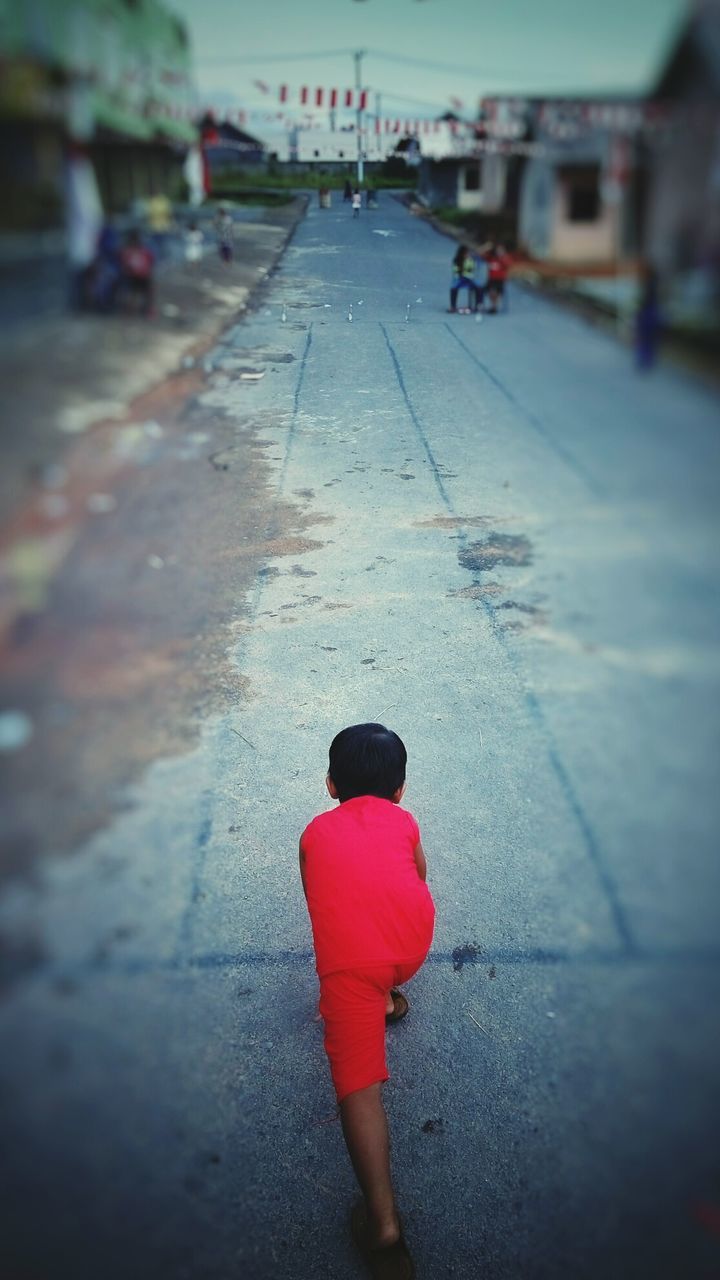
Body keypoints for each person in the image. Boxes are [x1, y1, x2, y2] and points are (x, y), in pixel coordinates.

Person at [300, 724, 435, 1279]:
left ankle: (383, 1227)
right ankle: (386, 1000)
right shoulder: (405, 820)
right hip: (412, 944)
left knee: (359, 1088)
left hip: (354, 968)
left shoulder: (314, 831)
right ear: (400, 790)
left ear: (331, 785)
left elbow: (320, 900)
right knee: (376, 974)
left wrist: (342, 988)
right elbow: (419, 876)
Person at [119, 229, 155, 316]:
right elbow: (124, 265)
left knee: (148, 291)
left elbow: (150, 262)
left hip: (143, 277)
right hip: (132, 277)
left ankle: (146, 309)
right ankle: (130, 310)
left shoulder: (144, 251)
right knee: (132, 293)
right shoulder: (128, 251)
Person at [634, 264, 661, 371]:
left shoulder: (648, 286)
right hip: (651, 314)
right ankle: (647, 361)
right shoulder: (655, 285)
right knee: (649, 340)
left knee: (644, 339)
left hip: (647, 315)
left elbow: (644, 301)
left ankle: (644, 360)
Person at [449, 244, 478, 313]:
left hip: (469, 279)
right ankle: (453, 306)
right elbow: (455, 271)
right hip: (460, 279)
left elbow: (472, 271)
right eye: (466, 253)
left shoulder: (470, 260)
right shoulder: (457, 260)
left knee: (478, 288)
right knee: (453, 288)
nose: (467, 254)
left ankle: (477, 306)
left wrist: (468, 261)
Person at [484, 241, 511, 313]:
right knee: (490, 292)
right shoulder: (491, 258)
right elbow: (480, 255)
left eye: (501, 249)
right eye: (498, 249)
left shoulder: (504, 258)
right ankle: (493, 306)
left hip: (500, 280)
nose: (499, 251)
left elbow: (507, 266)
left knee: (495, 292)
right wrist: (486, 247)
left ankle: (494, 307)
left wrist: (502, 257)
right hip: (491, 279)